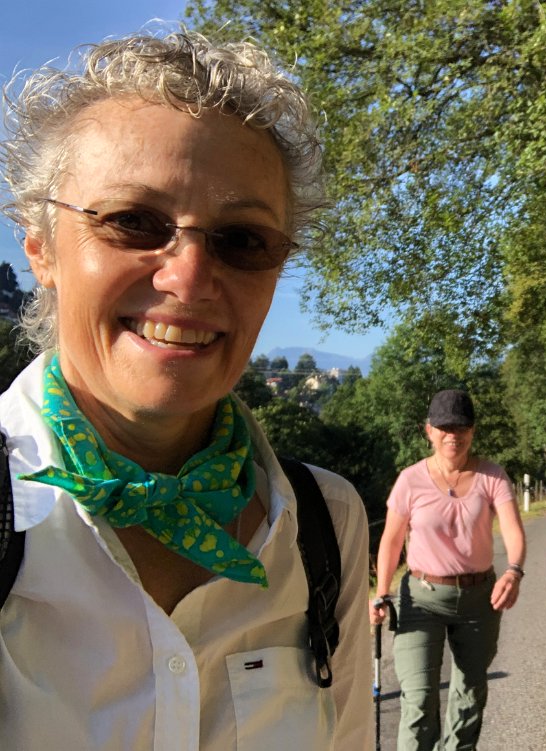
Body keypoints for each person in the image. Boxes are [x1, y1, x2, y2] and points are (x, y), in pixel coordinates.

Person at [0, 29, 373, 749]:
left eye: (242, 240)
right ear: (40, 247)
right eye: (132, 221)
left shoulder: (325, 526)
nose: (190, 278)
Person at [370, 388, 526, 751]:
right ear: (429, 430)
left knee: (470, 693)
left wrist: (514, 571)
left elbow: (513, 531)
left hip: (479, 600)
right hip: (421, 599)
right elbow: (391, 541)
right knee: (419, 698)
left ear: (472, 430)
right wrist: (381, 593)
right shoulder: (410, 480)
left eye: (461, 427)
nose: (453, 435)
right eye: (445, 427)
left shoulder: (492, 476)